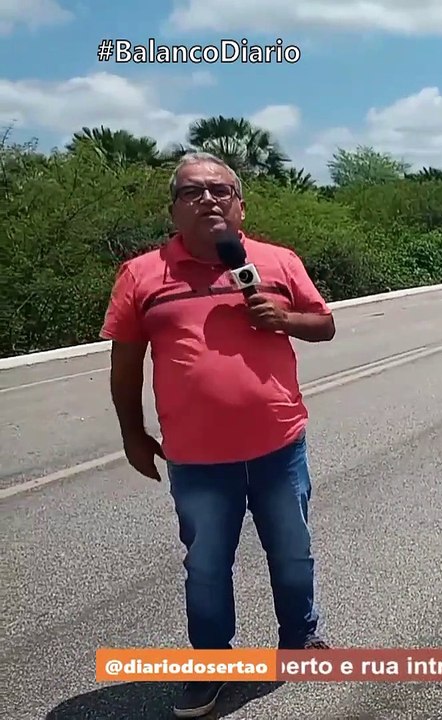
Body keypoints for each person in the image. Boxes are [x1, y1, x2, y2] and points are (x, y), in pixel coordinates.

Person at [100, 151, 336, 719]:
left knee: (293, 551)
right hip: (198, 458)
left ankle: (300, 638)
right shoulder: (141, 274)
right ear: (174, 209)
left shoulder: (276, 260)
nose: (208, 199)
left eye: (220, 190)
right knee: (206, 564)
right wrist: (132, 433)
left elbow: (324, 324)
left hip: (280, 446)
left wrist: (284, 319)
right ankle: (209, 663)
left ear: (240, 204)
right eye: (192, 192)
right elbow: (125, 363)